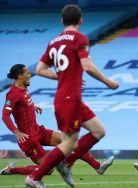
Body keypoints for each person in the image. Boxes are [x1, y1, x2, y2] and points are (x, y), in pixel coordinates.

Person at [24, 4, 119, 188]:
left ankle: (66, 164)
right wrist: (109, 82)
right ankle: (34, 177)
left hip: (66, 98)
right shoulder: (79, 38)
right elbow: (87, 66)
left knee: (99, 131)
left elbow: (39, 70)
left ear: (62, 21)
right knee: (68, 144)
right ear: (81, 20)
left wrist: (61, 75)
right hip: (70, 99)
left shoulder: (54, 42)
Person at [1, 64, 114, 177]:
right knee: (48, 169)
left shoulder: (23, 88)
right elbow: (5, 116)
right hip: (28, 139)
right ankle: (12, 170)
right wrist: (16, 132)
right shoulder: (13, 94)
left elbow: (21, 105)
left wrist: (32, 107)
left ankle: (98, 166)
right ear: (20, 76)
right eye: (27, 73)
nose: (30, 75)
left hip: (37, 130)